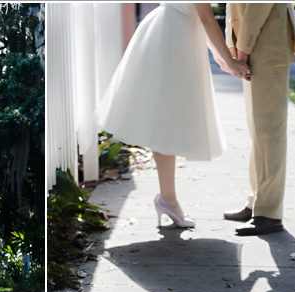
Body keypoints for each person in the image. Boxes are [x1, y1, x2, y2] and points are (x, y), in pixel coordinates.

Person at [93, 3, 250, 229]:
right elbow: (205, 16)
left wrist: (219, 55)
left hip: (174, 31)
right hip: (174, 37)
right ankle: (168, 199)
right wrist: (230, 59)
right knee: (166, 118)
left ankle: (168, 198)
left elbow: (198, 13)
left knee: (166, 119)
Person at [223, 3, 295, 235]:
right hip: (253, 44)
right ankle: (256, 203)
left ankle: (269, 213)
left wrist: (241, 50)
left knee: (270, 133)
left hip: (265, 44)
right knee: (259, 132)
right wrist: (233, 44)